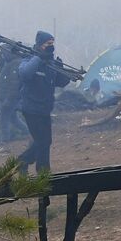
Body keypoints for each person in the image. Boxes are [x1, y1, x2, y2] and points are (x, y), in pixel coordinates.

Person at [17, 31, 71, 175]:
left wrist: (61, 69)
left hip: (45, 109)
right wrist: (38, 58)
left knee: (44, 141)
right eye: (48, 44)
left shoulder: (51, 62)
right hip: (31, 108)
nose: (51, 47)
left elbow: (62, 82)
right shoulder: (29, 59)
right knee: (43, 141)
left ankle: (23, 161)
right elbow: (25, 74)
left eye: (52, 44)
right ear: (40, 45)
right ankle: (42, 172)